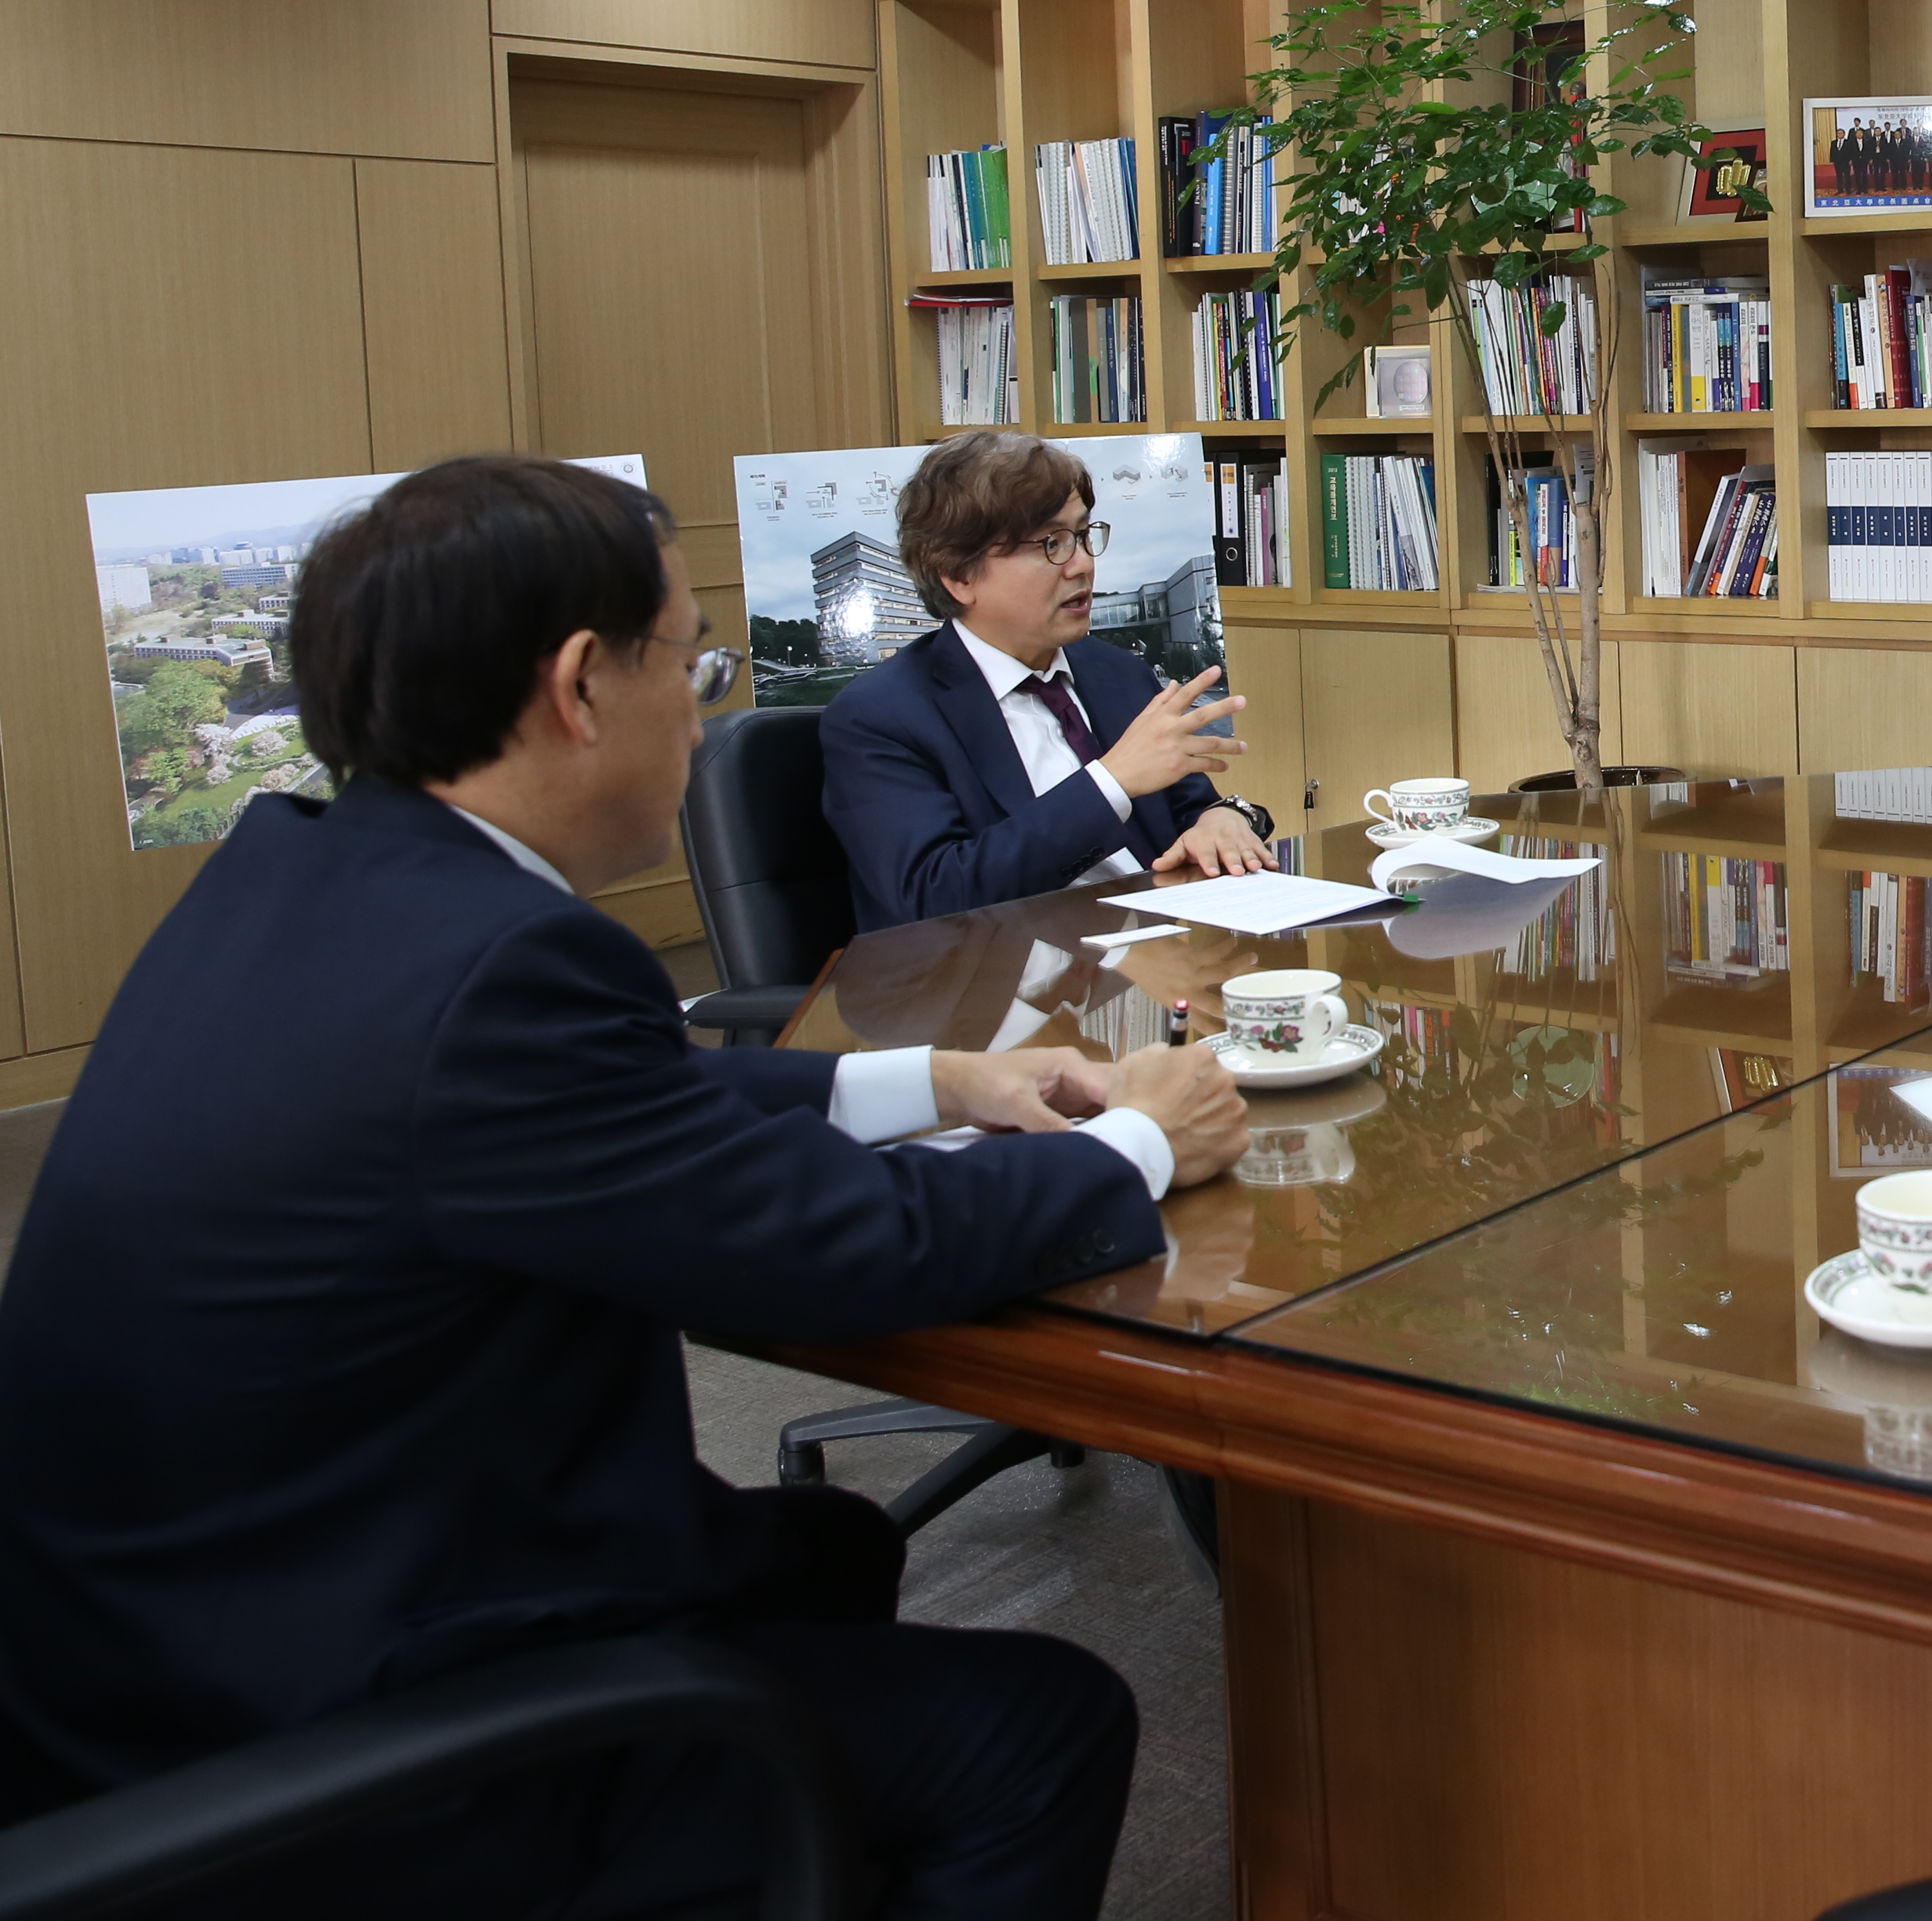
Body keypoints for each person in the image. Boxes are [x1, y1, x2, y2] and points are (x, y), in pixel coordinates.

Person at [0, 455, 1252, 1919]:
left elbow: (586, 1107)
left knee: (826, 1549)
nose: (706, 702)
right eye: (693, 662)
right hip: (316, 1730)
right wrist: (1143, 1142)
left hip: (159, 1635)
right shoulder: (508, 969)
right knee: (1038, 1728)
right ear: (580, 686)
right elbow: (841, 1253)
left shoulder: (307, 876)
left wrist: (937, 1082)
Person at [823, 431, 1279, 927]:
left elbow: (1191, 807)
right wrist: (1112, 781)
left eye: (1083, 535)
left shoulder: (1117, 673)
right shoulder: (880, 715)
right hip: (1014, 986)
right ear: (958, 575)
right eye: (1051, 544)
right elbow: (934, 897)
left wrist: (1225, 818)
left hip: (1168, 957)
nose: (1083, 563)